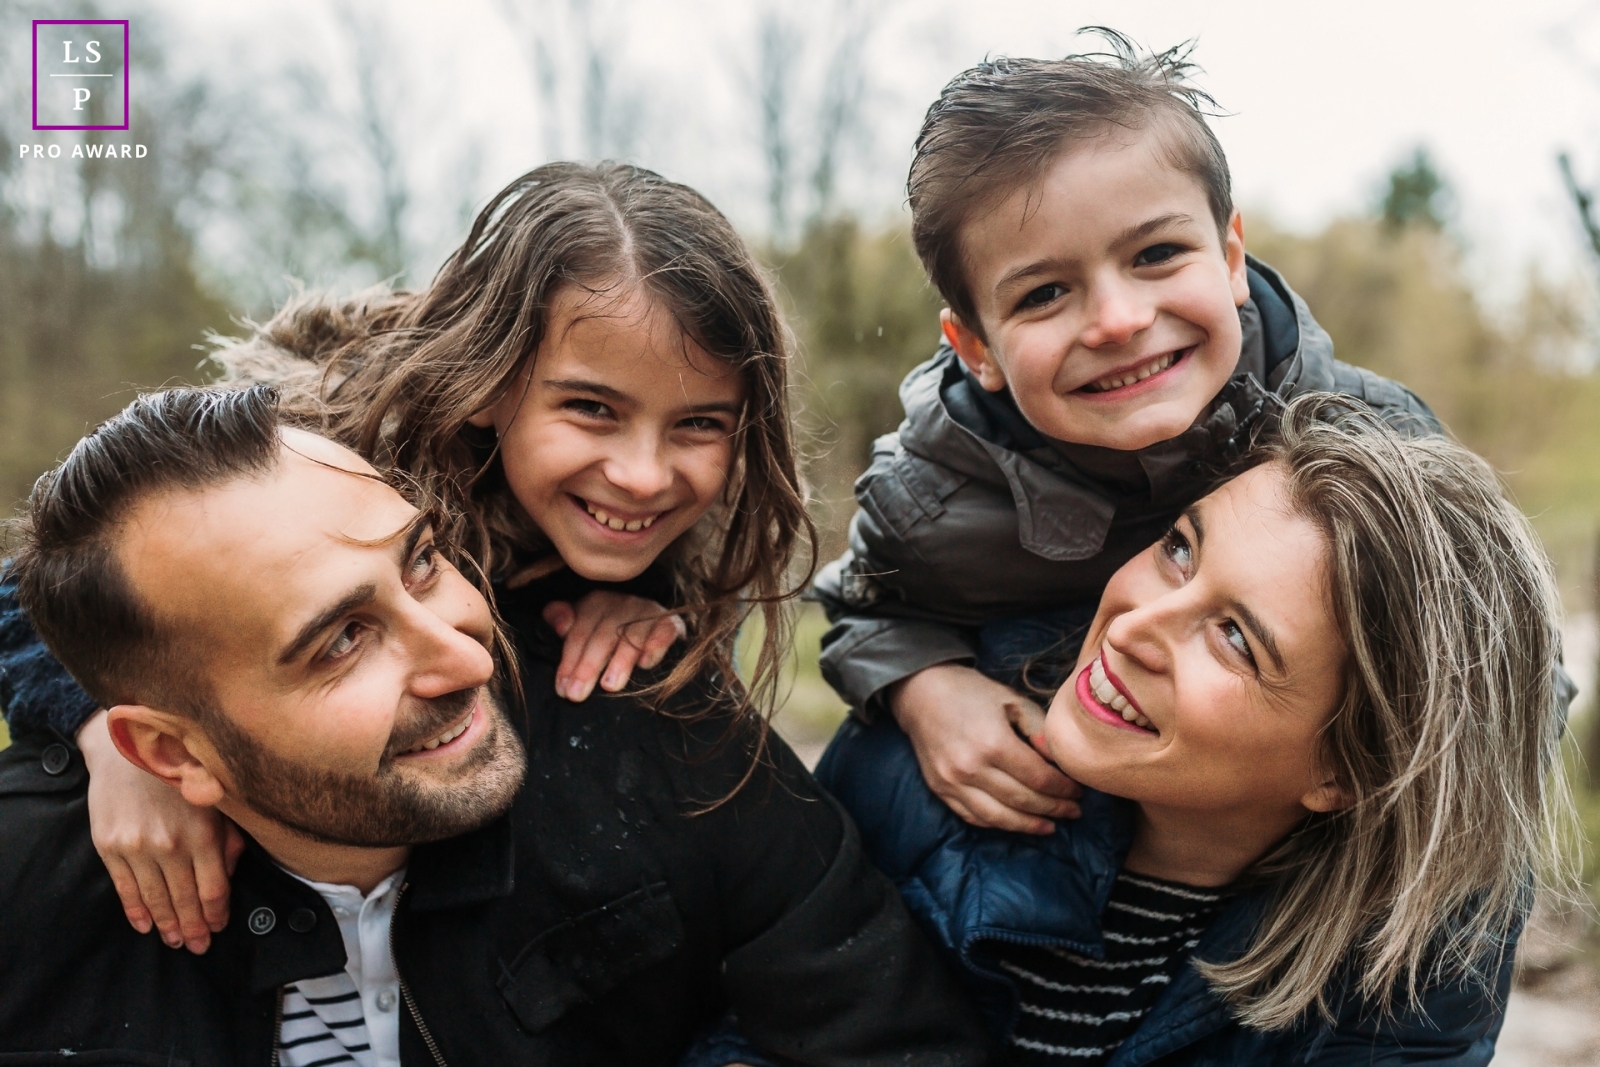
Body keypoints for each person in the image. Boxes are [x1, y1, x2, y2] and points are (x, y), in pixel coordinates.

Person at [0, 385, 992, 1066]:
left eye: (424, 560)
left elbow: (903, 1040)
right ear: (170, 751)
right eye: (342, 639)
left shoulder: (665, 740)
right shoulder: (35, 897)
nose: (470, 659)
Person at [0, 161, 816, 955]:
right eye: (592, 408)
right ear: (492, 382)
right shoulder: (318, 452)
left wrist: (650, 605)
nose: (643, 475)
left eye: (700, 423)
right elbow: (54, 578)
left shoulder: (707, 523)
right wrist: (104, 729)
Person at [816, 393, 1573, 1064]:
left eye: (1236, 638)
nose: (1131, 627)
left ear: (1346, 771)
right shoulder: (914, 758)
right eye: (1180, 549)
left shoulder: (1414, 977)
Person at [810, 33, 1440, 837]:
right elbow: (864, 608)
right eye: (1043, 294)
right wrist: (924, 689)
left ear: (1230, 256)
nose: (1117, 320)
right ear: (976, 349)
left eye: (1156, 253)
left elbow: (1495, 666)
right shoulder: (929, 494)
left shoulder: (1378, 446)